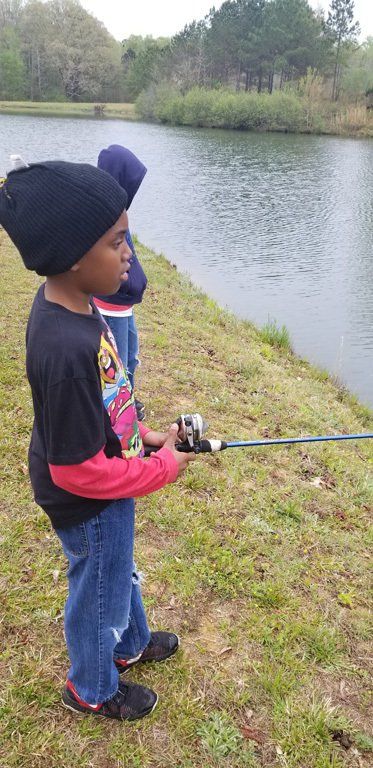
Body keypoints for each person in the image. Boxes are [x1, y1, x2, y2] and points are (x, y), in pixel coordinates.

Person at [0, 159, 196, 721]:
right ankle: (91, 684)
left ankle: (129, 646)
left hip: (112, 481)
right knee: (98, 588)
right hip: (87, 499)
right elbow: (77, 471)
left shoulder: (80, 305)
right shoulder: (61, 349)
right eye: (117, 242)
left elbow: (112, 394)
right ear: (72, 256)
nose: (129, 253)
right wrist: (160, 470)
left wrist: (150, 436)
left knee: (119, 568)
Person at [94, 145, 148, 420]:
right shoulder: (103, 220)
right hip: (111, 307)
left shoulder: (118, 215)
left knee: (131, 359)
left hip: (124, 308)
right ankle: (118, 413)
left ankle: (129, 401)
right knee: (119, 364)